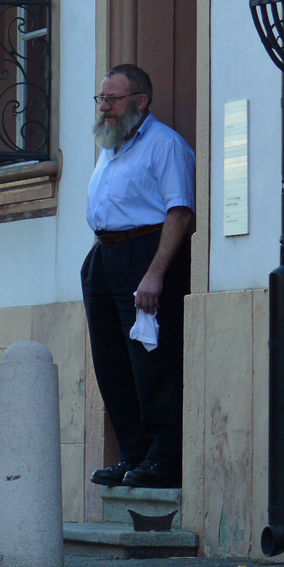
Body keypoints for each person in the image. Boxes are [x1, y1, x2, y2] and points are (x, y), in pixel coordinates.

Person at [81, 63, 195, 489]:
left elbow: (180, 212)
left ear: (141, 101)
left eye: (113, 99)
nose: (105, 107)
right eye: (101, 99)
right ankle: (131, 455)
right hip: (104, 258)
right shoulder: (109, 146)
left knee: (151, 361)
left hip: (144, 257)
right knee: (112, 363)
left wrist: (154, 274)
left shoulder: (165, 145)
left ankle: (164, 458)